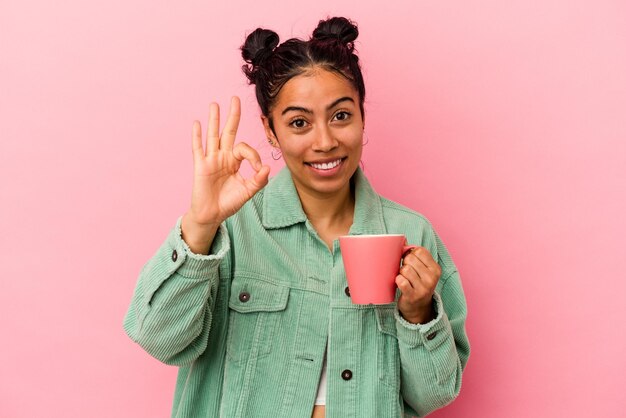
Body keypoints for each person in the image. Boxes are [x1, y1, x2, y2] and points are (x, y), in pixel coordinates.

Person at [124, 16, 470, 418]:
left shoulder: (410, 233)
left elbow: (436, 394)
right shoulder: (232, 228)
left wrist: (417, 314)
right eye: (299, 123)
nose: (324, 142)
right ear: (270, 131)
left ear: (362, 116)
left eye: (341, 116)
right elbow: (159, 340)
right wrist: (201, 224)